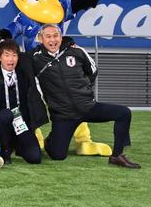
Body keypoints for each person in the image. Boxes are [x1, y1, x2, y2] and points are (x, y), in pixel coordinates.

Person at [30, 25, 140, 168]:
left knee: (124, 113)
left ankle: (117, 155)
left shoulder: (76, 51)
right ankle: (51, 140)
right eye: (48, 36)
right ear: (41, 39)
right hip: (63, 115)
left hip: (87, 107)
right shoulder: (34, 58)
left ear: (61, 36)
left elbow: (92, 70)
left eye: (55, 35)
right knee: (57, 156)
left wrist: (83, 89)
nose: (52, 40)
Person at [0, 40, 46, 164]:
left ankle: (17, 144)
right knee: (6, 114)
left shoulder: (24, 75)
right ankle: (5, 148)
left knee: (35, 158)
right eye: (7, 55)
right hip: (0, 122)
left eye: (14, 55)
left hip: (20, 122)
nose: (11, 59)